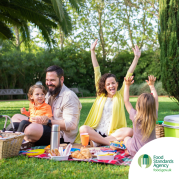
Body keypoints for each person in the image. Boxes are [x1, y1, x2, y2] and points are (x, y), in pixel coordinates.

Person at [75, 39, 141, 146]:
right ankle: (107, 142)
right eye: (108, 84)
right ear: (104, 87)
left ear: (117, 84)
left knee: (129, 131)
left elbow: (129, 73)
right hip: (97, 131)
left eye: (113, 83)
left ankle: (98, 142)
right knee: (83, 129)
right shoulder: (100, 95)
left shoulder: (120, 95)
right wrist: (92, 51)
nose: (111, 86)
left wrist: (136, 57)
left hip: (112, 133)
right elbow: (96, 70)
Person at [8, 65, 82, 145]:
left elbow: (71, 125)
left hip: (59, 135)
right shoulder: (49, 94)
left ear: (61, 79)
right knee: (15, 117)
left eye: (52, 80)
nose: (49, 83)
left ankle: (18, 136)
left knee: (30, 129)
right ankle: (14, 135)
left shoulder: (69, 96)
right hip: (43, 125)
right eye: (47, 80)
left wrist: (48, 121)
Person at [123, 75, 158, 156]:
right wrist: (152, 86)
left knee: (126, 138)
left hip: (136, 150)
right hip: (151, 151)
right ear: (152, 106)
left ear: (138, 105)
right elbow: (156, 99)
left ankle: (128, 150)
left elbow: (126, 101)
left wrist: (127, 86)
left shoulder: (135, 116)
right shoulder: (154, 115)